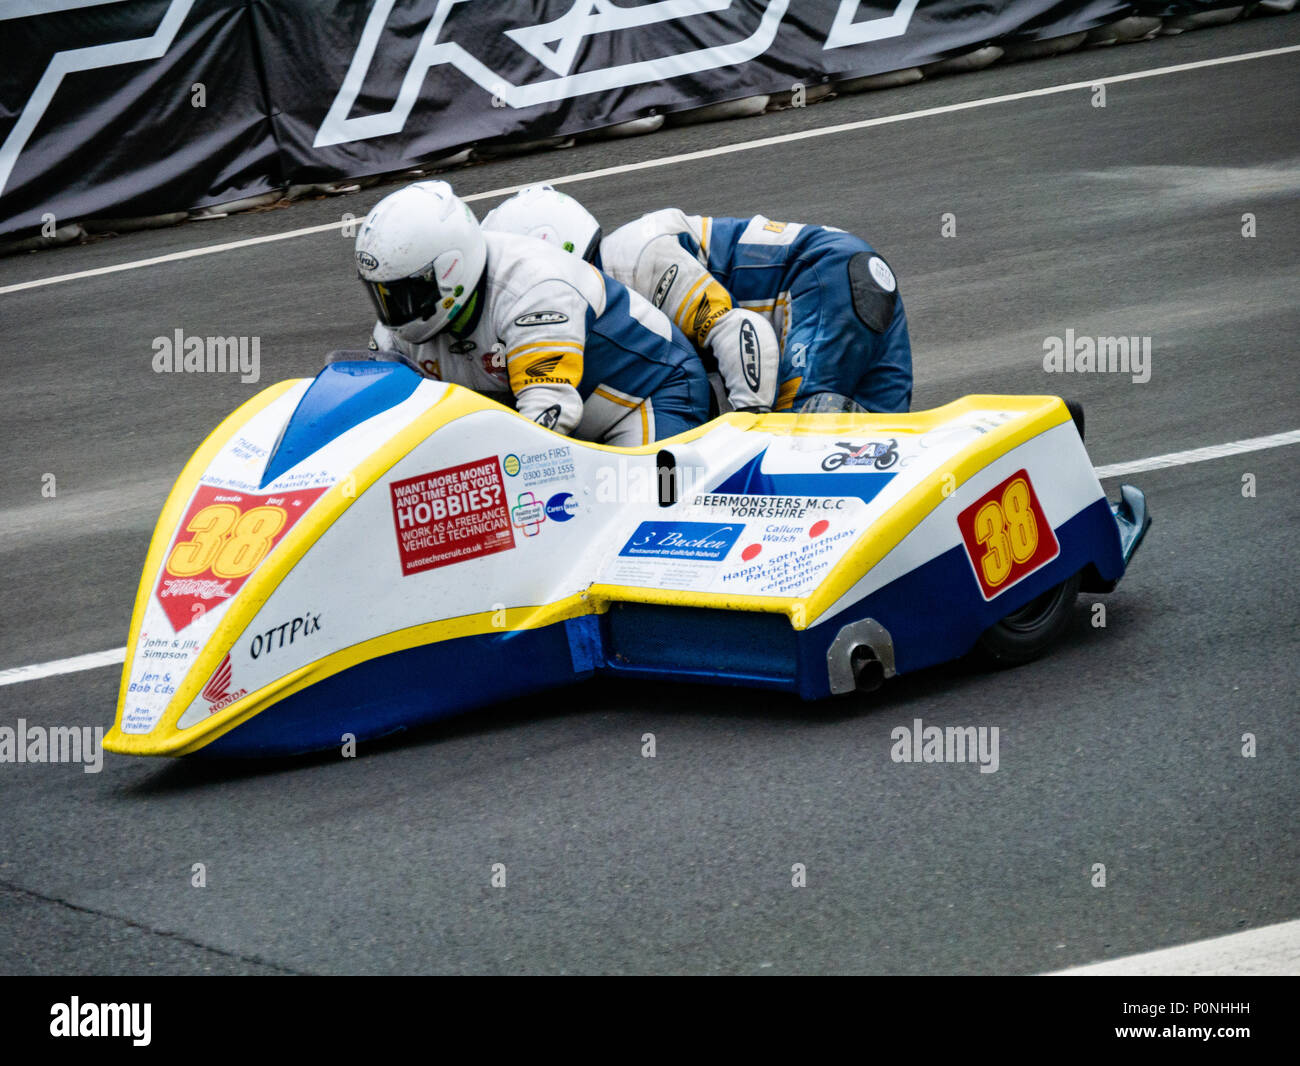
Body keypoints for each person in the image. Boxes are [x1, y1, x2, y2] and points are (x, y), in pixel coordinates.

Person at [483, 186, 912, 414]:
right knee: (878, 458)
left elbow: (739, 334)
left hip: (823, 279)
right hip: (848, 276)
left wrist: (749, 430)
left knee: (802, 448)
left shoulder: (634, 255)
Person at [355, 180, 710, 446]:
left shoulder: (533, 290)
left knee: (648, 508)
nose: (394, 312)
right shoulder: (396, 330)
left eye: (405, 294)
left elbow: (549, 413)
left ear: (450, 270)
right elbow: (379, 418)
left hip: (649, 396)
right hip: (570, 419)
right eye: (382, 296)